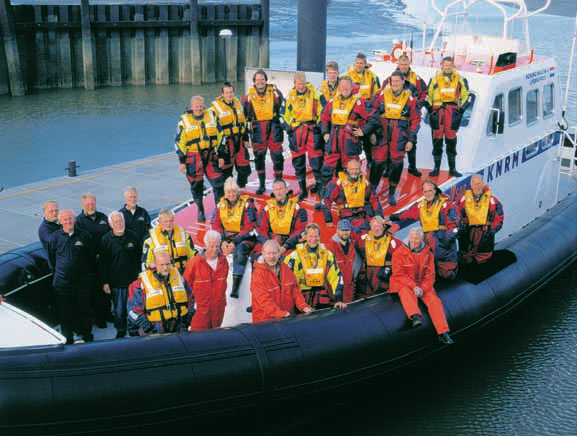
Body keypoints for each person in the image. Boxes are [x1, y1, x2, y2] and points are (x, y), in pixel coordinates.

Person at [355, 70, 421, 205]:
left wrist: (411, 139)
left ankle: (391, 193)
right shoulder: (381, 94)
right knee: (377, 163)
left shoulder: (411, 99)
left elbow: (416, 120)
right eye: (393, 81)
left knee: (397, 165)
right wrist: (371, 132)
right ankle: (371, 190)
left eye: (398, 81)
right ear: (390, 82)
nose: (395, 83)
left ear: (403, 82)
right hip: (381, 133)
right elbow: (371, 113)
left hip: (400, 135)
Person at [390, 227, 454, 345]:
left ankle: (443, 332)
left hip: (422, 284)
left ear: (421, 240)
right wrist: (414, 286)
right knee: (405, 292)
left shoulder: (428, 254)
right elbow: (399, 274)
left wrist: (423, 288)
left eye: (417, 239)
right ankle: (415, 317)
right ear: (409, 238)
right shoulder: (398, 253)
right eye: (413, 238)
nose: (414, 241)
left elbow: (430, 275)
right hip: (405, 282)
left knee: (435, 302)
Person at [389, 180, 460, 280]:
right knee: (425, 271)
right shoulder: (421, 206)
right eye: (425, 191)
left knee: (447, 275)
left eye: (430, 191)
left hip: (443, 246)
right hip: (428, 243)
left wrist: (446, 243)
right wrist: (392, 217)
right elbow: (408, 214)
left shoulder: (446, 205)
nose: (428, 194)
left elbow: (455, 227)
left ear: (435, 190)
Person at [319, 76, 371, 204]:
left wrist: (363, 131)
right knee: (326, 170)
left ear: (352, 87)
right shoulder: (332, 102)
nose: (344, 89)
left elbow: (373, 118)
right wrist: (325, 132)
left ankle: (348, 197)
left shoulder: (360, 103)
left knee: (349, 172)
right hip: (334, 142)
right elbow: (324, 118)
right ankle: (325, 198)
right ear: (339, 87)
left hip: (350, 143)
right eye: (342, 87)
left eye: (347, 87)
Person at [47, 210, 95, 344]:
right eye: (65, 219)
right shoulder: (54, 238)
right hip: (62, 284)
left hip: (82, 283)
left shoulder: (84, 236)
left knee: (85, 311)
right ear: (60, 221)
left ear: (75, 220)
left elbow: (91, 257)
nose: (68, 221)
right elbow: (51, 260)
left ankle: (87, 337)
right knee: (65, 314)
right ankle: (68, 339)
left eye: (70, 219)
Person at [378, 54, 428, 177]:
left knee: (412, 140)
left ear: (409, 64)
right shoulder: (390, 79)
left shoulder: (416, 79)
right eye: (401, 64)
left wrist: (417, 106)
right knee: (390, 141)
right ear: (398, 64)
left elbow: (425, 93)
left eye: (406, 64)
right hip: (392, 116)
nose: (404, 67)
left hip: (409, 115)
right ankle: (388, 168)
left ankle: (412, 167)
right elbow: (381, 93)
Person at [175, 95, 223, 222]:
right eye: (196, 106)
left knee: (218, 183)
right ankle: (200, 210)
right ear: (191, 107)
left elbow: (220, 136)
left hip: (211, 154)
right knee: (196, 186)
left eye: (201, 106)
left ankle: (219, 211)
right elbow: (179, 143)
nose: (199, 108)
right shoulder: (183, 122)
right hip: (193, 157)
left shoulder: (212, 116)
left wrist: (221, 155)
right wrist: (182, 162)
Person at [424, 56, 473, 177]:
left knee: (451, 141)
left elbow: (467, 97)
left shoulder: (460, 79)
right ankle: (436, 169)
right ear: (441, 65)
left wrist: (461, 110)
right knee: (437, 141)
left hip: (452, 113)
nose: (447, 67)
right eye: (445, 65)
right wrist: (430, 110)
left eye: (449, 65)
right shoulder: (434, 79)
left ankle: (453, 169)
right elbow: (427, 96)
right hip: (437, 113)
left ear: (453, 66)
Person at [127, 251, 194, 335]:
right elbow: (132, 312)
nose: (165, 268)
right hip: (154, 330)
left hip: (178, 328)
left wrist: (187, 319)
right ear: (155, 265)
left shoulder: (179, 279)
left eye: (168, 264)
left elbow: (191, 299)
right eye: (161, 265)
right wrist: (148, 327)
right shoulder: (141, 284)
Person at [212, 178, 258, 299]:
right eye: (228, 192)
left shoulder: (247, 204)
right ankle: (214, 282)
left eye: (233, 192)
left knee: (240, 250)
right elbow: (215, 224)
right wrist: (222, 240)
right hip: (227, 237)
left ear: (237, 192)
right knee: (211, 250)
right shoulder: (220, 205)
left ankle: (235, 288)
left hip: (244, 237)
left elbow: (250, 225)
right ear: (225, 193)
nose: (231, 195)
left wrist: (235, 241)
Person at [281, 71, 323, 201]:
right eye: (298, 84)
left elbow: (324, 111)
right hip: (297, 133)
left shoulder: (315, 94)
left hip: (312, 131)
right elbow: (283, 115)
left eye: (303, 83)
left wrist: (319, 127)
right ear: (294, 83)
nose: (301, 86)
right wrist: (288, 128)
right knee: (298, 164)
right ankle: (303, 190)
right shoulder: (290, 96)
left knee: (316, 162)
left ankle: (319, 187)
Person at [241, 69, 285, 194]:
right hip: (257, 129)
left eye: (262, 79)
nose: (260, 82)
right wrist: (245, 137)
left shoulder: (276, 93)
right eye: (257, 80)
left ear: (266, 80)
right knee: (259, 157)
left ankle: (278, 183)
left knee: (277, 156)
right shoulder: (247, 98)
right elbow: (242, 119)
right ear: (254, 82)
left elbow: (284, 109)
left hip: (274, 127)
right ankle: (261, 185)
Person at [99, 211, 142, 338]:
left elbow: (140, 258)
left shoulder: (133, 236)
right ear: (111, 224)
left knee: (134, 308)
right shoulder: (106, 240)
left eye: (121, 221)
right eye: (116, 222)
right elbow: (102, 263)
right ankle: (121, 330)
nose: (119, 224)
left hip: (133, 281)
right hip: (116, 282)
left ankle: (133, 329)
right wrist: (105, 282)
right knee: (119, 310)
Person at [250, 240, 314, 323]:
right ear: (263, 253)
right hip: (265, 322)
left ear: (279, 253)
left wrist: (303, 306)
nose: (272, 256)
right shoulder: (258, 274)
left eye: (275, 253)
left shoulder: (285, 268)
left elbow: (295, 291)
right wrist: (280, 313)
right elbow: (263, 300)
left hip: (286, 319)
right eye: (268, 253)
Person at [285, 223, 346, 309]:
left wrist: (339, 299)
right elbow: (287, 281)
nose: (313, 239)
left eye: (316, 236)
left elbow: (336, 277)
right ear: (305, 236)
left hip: (321, 299)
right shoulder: (293, 257)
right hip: (301, 300)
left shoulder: (328, 255)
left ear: (319, 237)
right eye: (310, 236)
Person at [75, 192, 111, 329]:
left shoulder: (103, 217)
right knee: (96, 291)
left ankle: (108, 313)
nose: (90, 206)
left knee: (107, 288)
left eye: (92, 203)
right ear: (83, 205)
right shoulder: (79, 221)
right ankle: (99, 317)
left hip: (105, 260)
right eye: (87, 204)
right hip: (91, 263)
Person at [182, 230, 229, 331]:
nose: (215, 249)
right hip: (199, 312)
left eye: (217, 246)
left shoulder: (224, 262)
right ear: (205, 245)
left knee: (215, 337)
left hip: (217, 310)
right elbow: (185, 288)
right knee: (197, 340)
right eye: (212, 246)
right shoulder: (194, 263)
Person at [320, 159, 382, 232]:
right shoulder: (337, 184)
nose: (354, 171)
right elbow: (326, 201)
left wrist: (379, 215)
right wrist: (328, 220)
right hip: (348, 213)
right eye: (352, 169)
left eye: (357, 169)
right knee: (365, 228)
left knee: (380, 227)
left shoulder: (365, 182)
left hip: (365, 211)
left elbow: (374, 199)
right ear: (347, 169)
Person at [211, 82, 251, 189]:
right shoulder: (215, 108)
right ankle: (227, 193)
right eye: (227, 93)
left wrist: (246, 138)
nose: (229, 95)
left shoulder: (238, 104)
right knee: (226, 171)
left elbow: (244, 122)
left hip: (240, 140)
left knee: (245, 168)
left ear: (234, 93)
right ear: (222, 94)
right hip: (226, 143)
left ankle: (241, 188)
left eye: (231, 92)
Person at [457, 174, 504, 264]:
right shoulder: (463, 200)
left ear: (483, 184)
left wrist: (491, 231)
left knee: (483, 258)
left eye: (479, 184)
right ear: (471, 185)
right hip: (467, 234)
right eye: (474, 184)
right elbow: (454, 215)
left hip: (484, 235)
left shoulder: (493, 201)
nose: (477, 186)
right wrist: (459, 228)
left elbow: (499, 218)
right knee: (465, 255)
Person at [255, 179, 308, 256]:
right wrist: (268, 244)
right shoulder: (267, 208)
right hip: (271, 243)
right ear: (273, 192)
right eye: (276, 189)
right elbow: (260, 229)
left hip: (290, 244)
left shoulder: (297, 208)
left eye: (281, 189)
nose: (279, 192)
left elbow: (301, 230)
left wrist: (285, 246)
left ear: (286, 190)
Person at [142, 208, 196, 274]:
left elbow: (193, 255)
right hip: (163, 277)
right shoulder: (150, 241)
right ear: (160, 222)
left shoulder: (185, 236)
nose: (169, 224)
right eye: (166, 221)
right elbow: (146, 263)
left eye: (171, 221)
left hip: (183, 274)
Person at [359, 216, 402, 297]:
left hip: (385, 283)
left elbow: (406, 257)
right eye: (374, 226)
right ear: (371, 228)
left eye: (378, 226)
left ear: (383, 226)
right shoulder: (365, 240)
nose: (376, 229)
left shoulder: (393, 242)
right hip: (369, 283)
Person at [327, 219, 365, 304]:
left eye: (347, 230)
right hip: (335, 297)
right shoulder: (330, 248)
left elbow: (359, 272)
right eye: (342, 230)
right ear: (337, 230)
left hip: (350, 293)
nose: (345, 232)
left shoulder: (353, 247)